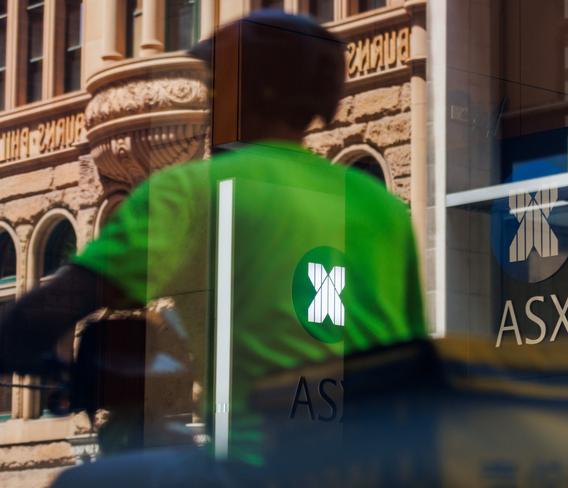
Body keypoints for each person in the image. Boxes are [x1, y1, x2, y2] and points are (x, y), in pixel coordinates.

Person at [0, 10, 426, 483]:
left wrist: (17, 330)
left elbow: (67, 297)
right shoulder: (378, 206)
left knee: (83, 482)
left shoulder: (193, 190)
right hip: (368, 469)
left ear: (248, 92)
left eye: (218, 84)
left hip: (260, 469)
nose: (210, 101)